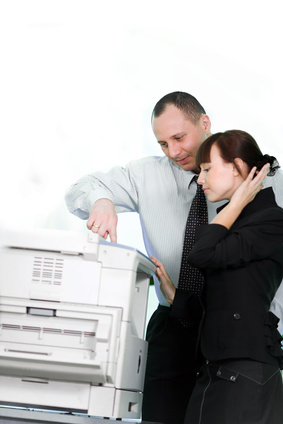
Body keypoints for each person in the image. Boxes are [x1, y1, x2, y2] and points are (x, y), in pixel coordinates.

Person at [65, 92, 283, 424]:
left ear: (204, 123)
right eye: (163, 143)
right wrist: (102, 200)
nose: (174, 152)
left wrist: (263, 321)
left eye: (179, 138)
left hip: (238, 337)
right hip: (174, 321)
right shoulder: (145, 175)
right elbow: (79, 189)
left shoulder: (263, 182)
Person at [152, 130, 283, 424]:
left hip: (245, 372)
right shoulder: (239, 222)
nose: (200, 179)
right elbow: (226, 302)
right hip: (219, 369)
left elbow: (201, 255)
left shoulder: (272, 220)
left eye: (208, 169)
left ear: (237, 168)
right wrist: (175, 298)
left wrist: (235, 203)